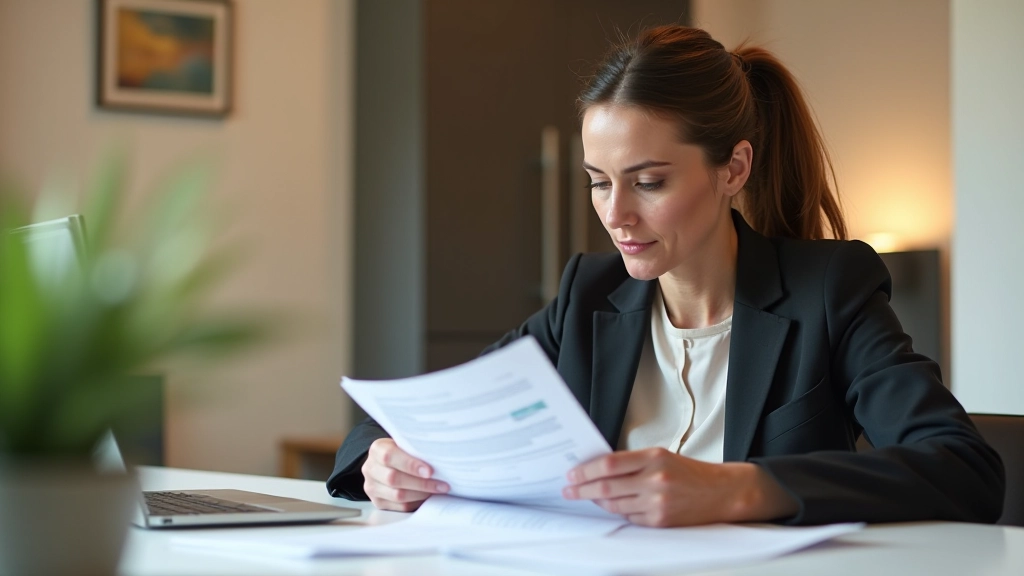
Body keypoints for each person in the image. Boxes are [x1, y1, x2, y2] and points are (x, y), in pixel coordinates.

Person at [327, 25, 1005, 526]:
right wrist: (379, 458)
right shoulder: (588, 298)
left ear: (733, 168)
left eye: (648, 182)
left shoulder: (827, 292)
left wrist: (738, 488)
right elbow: (424, 414)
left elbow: (964, 468)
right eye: (599, 182)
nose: (615, 214)